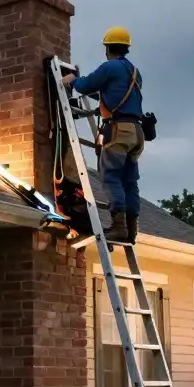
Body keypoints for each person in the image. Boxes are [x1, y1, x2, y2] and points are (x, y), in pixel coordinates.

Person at [62, 26, 144, 243]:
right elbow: (114, 97)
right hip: (136, 133)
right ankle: (130, 230)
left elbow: (86, 84)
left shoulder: (110, 67)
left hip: (119, 132)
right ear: (126, 48)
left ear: (108, 47)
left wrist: (73, 81)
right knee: (129, 181)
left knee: (111, 177)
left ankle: (118, 228)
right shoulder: (134, 73)